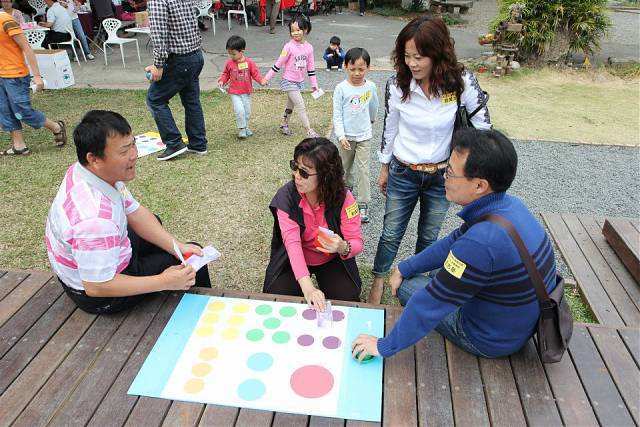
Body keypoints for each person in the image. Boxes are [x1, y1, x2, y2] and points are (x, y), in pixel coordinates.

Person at [352, 128, 559, 360]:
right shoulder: (510, 206)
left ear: (479, 186)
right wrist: (405, 266)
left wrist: (382, 346)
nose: (443, 177)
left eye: (450, 172)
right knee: (435, 272)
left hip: (489, 338)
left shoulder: (479, 243)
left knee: (408, 287)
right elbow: (453, 241)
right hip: (519, 322)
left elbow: (430, 304)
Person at [368, 16, 491, 304]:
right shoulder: (397, 84)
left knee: (429, 236)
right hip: (403, 170)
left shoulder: (460, 82)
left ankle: (417, 286)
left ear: (438, 53)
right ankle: (378, 279)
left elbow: (484, 127)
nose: (412, 63)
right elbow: (390, 127)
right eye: (406, 56)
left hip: (441, 176)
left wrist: (473, 169)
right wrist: (384, 167)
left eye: (419, 57)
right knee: (390, 233)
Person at [45, 110, 212, 314]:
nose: (134, 155)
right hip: (98, 295)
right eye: (124, 151)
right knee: (192, 264)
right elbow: (96, 287)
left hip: (93, 266)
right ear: (94, 159)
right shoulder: (94, 220)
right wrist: (164, 281)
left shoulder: (86, 171)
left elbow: (135, 212)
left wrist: (177, 246)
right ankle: (203, 313)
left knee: (161, 229)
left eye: (133, 144)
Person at [263, 137, 363, 309]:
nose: (296, 176)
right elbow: (292, 245)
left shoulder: (345, 198)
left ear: (325, 176)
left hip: (331, 258)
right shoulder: (286, 197)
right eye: (295, 167)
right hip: (294, 257)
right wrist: (308, 289)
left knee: (348, 297)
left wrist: (342, 247)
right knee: (275, 295)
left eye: (304, 173)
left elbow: (357, 242)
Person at [146, 0, 208, 161]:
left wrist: (158, 64)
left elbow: (159, 33)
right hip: (195, 55)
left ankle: (174, 143)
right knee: (191, 100)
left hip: (180, 60)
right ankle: (198, 143)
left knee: (155, 99)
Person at [0, 10, 67, 156]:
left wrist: (37, 76)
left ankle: (56, 127)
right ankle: (19, 146)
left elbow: (26, 47)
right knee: (5, 111)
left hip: (15, 75)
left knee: (22, 111)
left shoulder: (5, 20)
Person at [333, 47, 378, 223]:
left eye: (361, 69)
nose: (357, 73)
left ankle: (363, 203)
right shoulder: (341, 88)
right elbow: (337, 114)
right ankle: (345, 192)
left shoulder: (371, 86)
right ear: (346, 67)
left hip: (364, 136)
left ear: (368, 68)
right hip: (346, 137)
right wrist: (341, 136)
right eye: (353, 69)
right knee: (344, 167)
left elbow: (374, 105)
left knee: (363, 169)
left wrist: (372, 119)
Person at [264, 14, 319, 138]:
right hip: (288, 81)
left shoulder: (309, 48)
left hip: (299, 82)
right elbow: (278, 63)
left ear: (306, 30)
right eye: (292, 31)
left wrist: (314, 84)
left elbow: (311, 69)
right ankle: (309, 130)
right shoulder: (288, 47)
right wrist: (266, 78)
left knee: (290, 105)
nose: (295, 33)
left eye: (298, 30)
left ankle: (284, 124)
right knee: (300, 105)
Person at [218, 35, 266, 139]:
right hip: (234, 92)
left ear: (242, 51)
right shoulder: (229, 63)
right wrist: (222, 80)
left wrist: (261, 81)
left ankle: (246, 126)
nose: (231, 56)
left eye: (233, 54)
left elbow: (255, 74)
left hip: (246, 92)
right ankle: (242, 129)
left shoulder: (249, 63)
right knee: (239, 111)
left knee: (247, 111)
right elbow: (225, 74)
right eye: (229, 53)